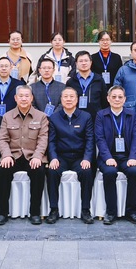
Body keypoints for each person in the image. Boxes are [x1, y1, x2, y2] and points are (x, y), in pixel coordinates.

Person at [0, 85, 49, 226]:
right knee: (3, 172)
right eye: (21, 96)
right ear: (15, 98)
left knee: (39, 172)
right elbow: (2, 139)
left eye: (27, 96)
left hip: (32, 156)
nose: (24, 99)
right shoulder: (7, 116)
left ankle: (35, 212)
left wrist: (37, 156)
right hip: (14, 156)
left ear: (31, 98)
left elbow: (43, 139)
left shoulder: (41, 116)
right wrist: (6, 155)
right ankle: (2, 212)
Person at [46, 87, 95, 224]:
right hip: (61, 157)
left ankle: (85, 209)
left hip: (79, 157)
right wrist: (53, 158)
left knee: (87, 172)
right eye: (65, 97)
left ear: (77, 99)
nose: (68, 99)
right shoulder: (54, 118)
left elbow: (90, 140)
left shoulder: (85, 117)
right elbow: (51, 141)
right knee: (52, 171)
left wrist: (87, 158)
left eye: (71, 97)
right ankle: (54, 209)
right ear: (61, 100)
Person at [94, 86, 136, 225]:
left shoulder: (131, 115)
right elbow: (100, 139)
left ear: (125, 99)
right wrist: (108, 158)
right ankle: (111, 212)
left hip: (127, 157)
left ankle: (131, 211)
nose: (117, 99)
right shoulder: (101, 115)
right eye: (114, 97)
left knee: (135, 172)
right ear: (108, 99)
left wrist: (133, 157)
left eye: (120, 97)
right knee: (109, 173)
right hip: (108, 157)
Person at [66, 51, 108, 121]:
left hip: (96, 118)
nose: (84, 63)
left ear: (91, 62)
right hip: (76, 118)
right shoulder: (71, 82)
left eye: (86, 61)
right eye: (81, 61)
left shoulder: (99, 80)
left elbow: (104, 101)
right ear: (76, 63)